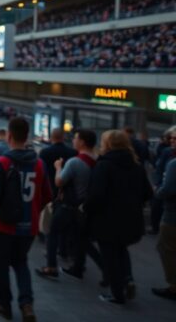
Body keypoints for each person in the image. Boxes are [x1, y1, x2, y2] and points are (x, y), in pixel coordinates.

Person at [0, 117, 52, 322]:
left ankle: (5, 305)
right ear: (27, 136)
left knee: (2, 265)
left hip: (4, 225)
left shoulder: (2, 162)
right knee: (21, 263)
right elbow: (48, 195)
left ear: (9, 136)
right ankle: (27, 305)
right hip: (28, 225)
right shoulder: (39, 164)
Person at [86, 130, 153, 304]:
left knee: (110, 256)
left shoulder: (104, 165)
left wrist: (87, 208)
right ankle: (128, 279)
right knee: (122, 250)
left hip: (107, 219)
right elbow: (147, 193)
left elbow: (96, 195)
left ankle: (117, 294)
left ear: (107, 144)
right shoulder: (136, 165)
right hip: (131, 218)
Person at [36, 129, 103, 280]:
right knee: (83, 240)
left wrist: (58, 167)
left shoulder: (75, 162)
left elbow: (59, 181)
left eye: (76, 138)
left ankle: (51, 266)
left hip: (68, 205)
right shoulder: (98, 161)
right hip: (84, 207)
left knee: (52, 232)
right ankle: (104, 269)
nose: (73, 140)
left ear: (82, 142)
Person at [153, 157, 176, 300]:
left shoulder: (174, 164)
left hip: (173, 215)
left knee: (166, 248)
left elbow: (168, 189)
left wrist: (157, 192)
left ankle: (174, 286)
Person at [38, 128, 78, 197]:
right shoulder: (73, 153)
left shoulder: (44, 152)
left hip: (48, 188)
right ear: (63, 137)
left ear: (51, 137)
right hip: (66, 192)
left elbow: (41, 172)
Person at [152, 128, 176, 235]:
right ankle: (155, 227)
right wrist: (158, 184)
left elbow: (168, 188)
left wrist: (159, 191)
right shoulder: (167, 152)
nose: (171, 140)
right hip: (163, 188)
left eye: (175, 138)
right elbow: (159, 169)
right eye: (170, 138)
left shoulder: (173, 164)